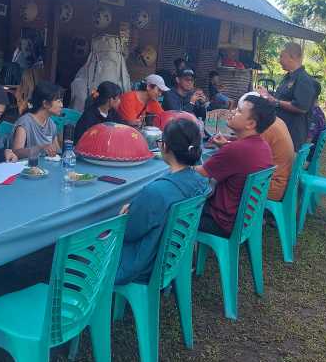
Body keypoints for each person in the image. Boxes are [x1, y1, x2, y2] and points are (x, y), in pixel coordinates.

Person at [115, 119, 208, 285]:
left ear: (164, 146)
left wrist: (130, 213)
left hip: (142, 265)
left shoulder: (156, 193)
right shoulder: (199, 181)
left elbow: (128, 232)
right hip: (171, 256)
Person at [196, 95, 276, 236]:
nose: (232, 111)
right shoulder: (263, 146)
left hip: (221, 221)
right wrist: (225, 146)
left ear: (250, 124)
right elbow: (239, 159)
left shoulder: (236, 149)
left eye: (238, 111)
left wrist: (173, 161)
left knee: (173, 209)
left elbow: (200, 172)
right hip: (244, 218)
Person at [261, 42, 319, 150]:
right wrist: (268, 95)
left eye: (281, 56)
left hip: (292, 136)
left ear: (291, 57)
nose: (279, 60)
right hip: (281, 132)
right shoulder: (288, 77)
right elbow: (282, 97)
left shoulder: (303, 79)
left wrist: (275, 102)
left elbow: (301, 107)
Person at [238, 91, 293, 201]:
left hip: (271, 186)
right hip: (279, 180)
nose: (235, 114)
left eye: (240, 111)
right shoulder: (276, 121)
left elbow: (245, 157)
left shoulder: (266, 128)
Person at [12, 80, 63, 159]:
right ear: (45, 103)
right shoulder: (25, 122)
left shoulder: (51, 124)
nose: (61, 105)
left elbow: (57, 150)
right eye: (58, 101)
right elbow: (16, 152)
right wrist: (39, 148)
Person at [306, 81, 326, 161]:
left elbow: (307, 142)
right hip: (310, 156)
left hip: (304, 160)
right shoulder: (318, 111)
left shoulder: (313, 116)